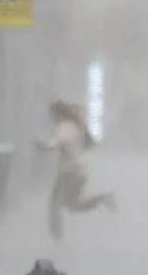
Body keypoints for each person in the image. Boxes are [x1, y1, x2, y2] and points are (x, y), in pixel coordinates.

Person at [38, 100, 114, 240]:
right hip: (78, 172)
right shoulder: (73, 126)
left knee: (55, 204)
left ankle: (57, 238)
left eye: (52, 115)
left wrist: (44, 145)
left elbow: (58, 141)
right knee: (72, 206)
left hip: (69, 172)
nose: (50, 118)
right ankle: (102, 198)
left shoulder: (65, 127)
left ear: (58, 114)